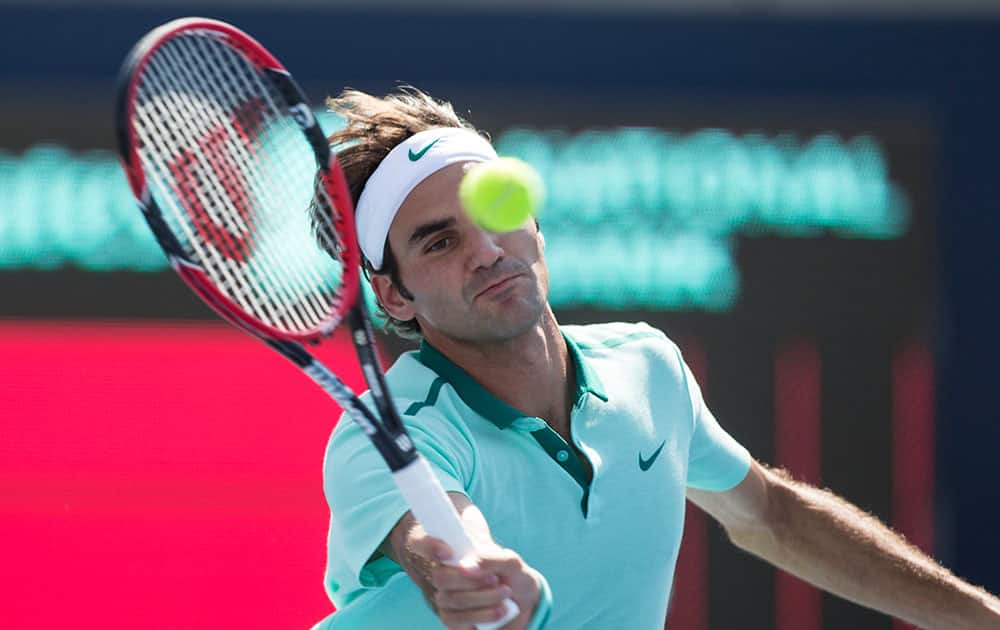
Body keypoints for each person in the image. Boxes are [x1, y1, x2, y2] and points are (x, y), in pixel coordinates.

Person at [312, 87, 1000, 630]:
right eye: (439, 243)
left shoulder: (648, 368)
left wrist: (979, 617)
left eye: (494, 209)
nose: (486, 250)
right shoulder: (384, 433)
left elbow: (773, 516)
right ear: (393, 296)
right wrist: (473, 569)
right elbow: (439, 544)